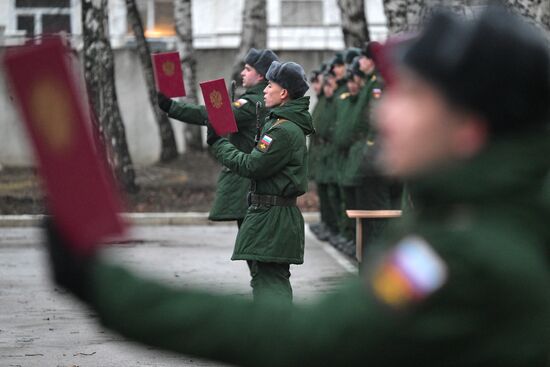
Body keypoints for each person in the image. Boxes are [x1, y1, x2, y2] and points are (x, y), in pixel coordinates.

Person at [46, 8, 550, 366]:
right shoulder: (460, 224)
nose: (383, 111)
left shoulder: (460, 256)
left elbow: (320, 334)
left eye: (412, 96)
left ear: (469, 131)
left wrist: (108, 289)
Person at [205, 60, 313, 303]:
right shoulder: (277, 124)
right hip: (269, 216)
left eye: (270, 85)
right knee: (264, 282)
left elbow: (252, 165)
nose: (264, 89)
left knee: (270, 286)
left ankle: (278, 337)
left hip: (273, 218)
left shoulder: (283, 131)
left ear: (283, 93)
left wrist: (219, 143)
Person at [157, 48, 278, 227]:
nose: (242, 73)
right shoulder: (261, 98)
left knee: (252, 240)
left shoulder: (252, 102)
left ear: (260, 75)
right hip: (260, 179)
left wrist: (172, 107)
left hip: (249, 180)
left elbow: (213, 114)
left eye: (248, 69)